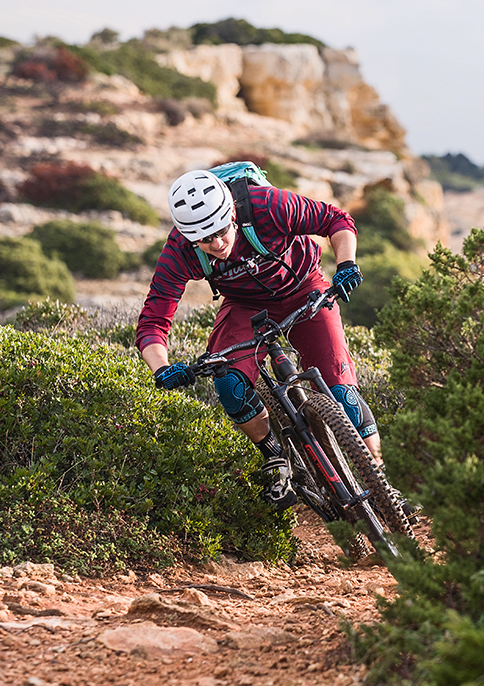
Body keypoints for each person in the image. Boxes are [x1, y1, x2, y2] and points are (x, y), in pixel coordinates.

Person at [136, 169, 379, 509]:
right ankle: (275, 457)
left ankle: (381, 480)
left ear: (231, 214)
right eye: (205, 240)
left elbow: (335, 220)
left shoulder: (267, 206)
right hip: (244, 306)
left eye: (221, 231)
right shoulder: (181, 250)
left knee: (340, 390)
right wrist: (161, 368)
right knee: (229, 384)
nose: (217, 244)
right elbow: (153, 320)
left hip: (304, 287)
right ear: (190, 237)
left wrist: (347, 264)